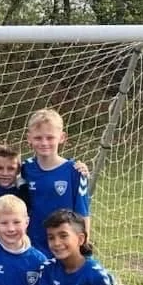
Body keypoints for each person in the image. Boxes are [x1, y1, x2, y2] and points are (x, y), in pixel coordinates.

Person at [21, 109, 91, 259]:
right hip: (32, 245)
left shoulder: (76, 172)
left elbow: (83, 213)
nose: (44, 142)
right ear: (29, 138)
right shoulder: (24, 169)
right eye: (38, 138)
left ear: (62, 137)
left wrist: (83, 248)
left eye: (50, 137)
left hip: (65, 246)